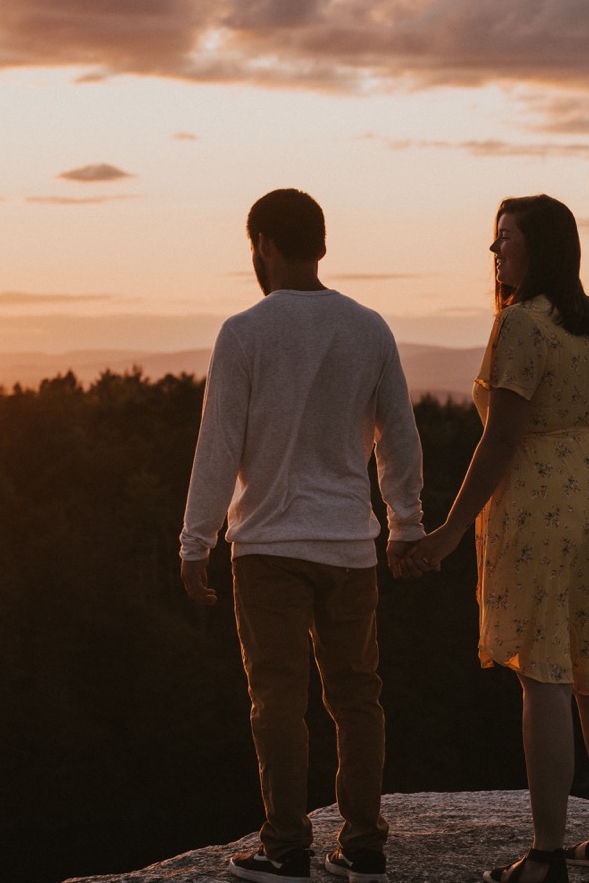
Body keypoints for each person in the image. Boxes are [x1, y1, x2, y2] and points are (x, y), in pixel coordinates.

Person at [395, 195, 589, 883]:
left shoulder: (521, 326)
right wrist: (583, 486)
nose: (495, 252)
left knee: (545, 675)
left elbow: (502, 437)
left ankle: (546, 855)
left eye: (505, 239)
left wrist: (446, 532)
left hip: (539, 501)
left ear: (540, 249)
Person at [180, 188, 425, 883]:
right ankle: (364, 841)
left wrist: (194, 542)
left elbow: (218, 446)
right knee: (357, 695)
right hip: (350, 545)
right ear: (319, 242)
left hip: (268, 546)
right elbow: (398, 440)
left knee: (277, 698)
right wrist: (404, 523)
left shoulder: (245, 332)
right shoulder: (369, 328)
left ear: (263, 245)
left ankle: (286, 846)